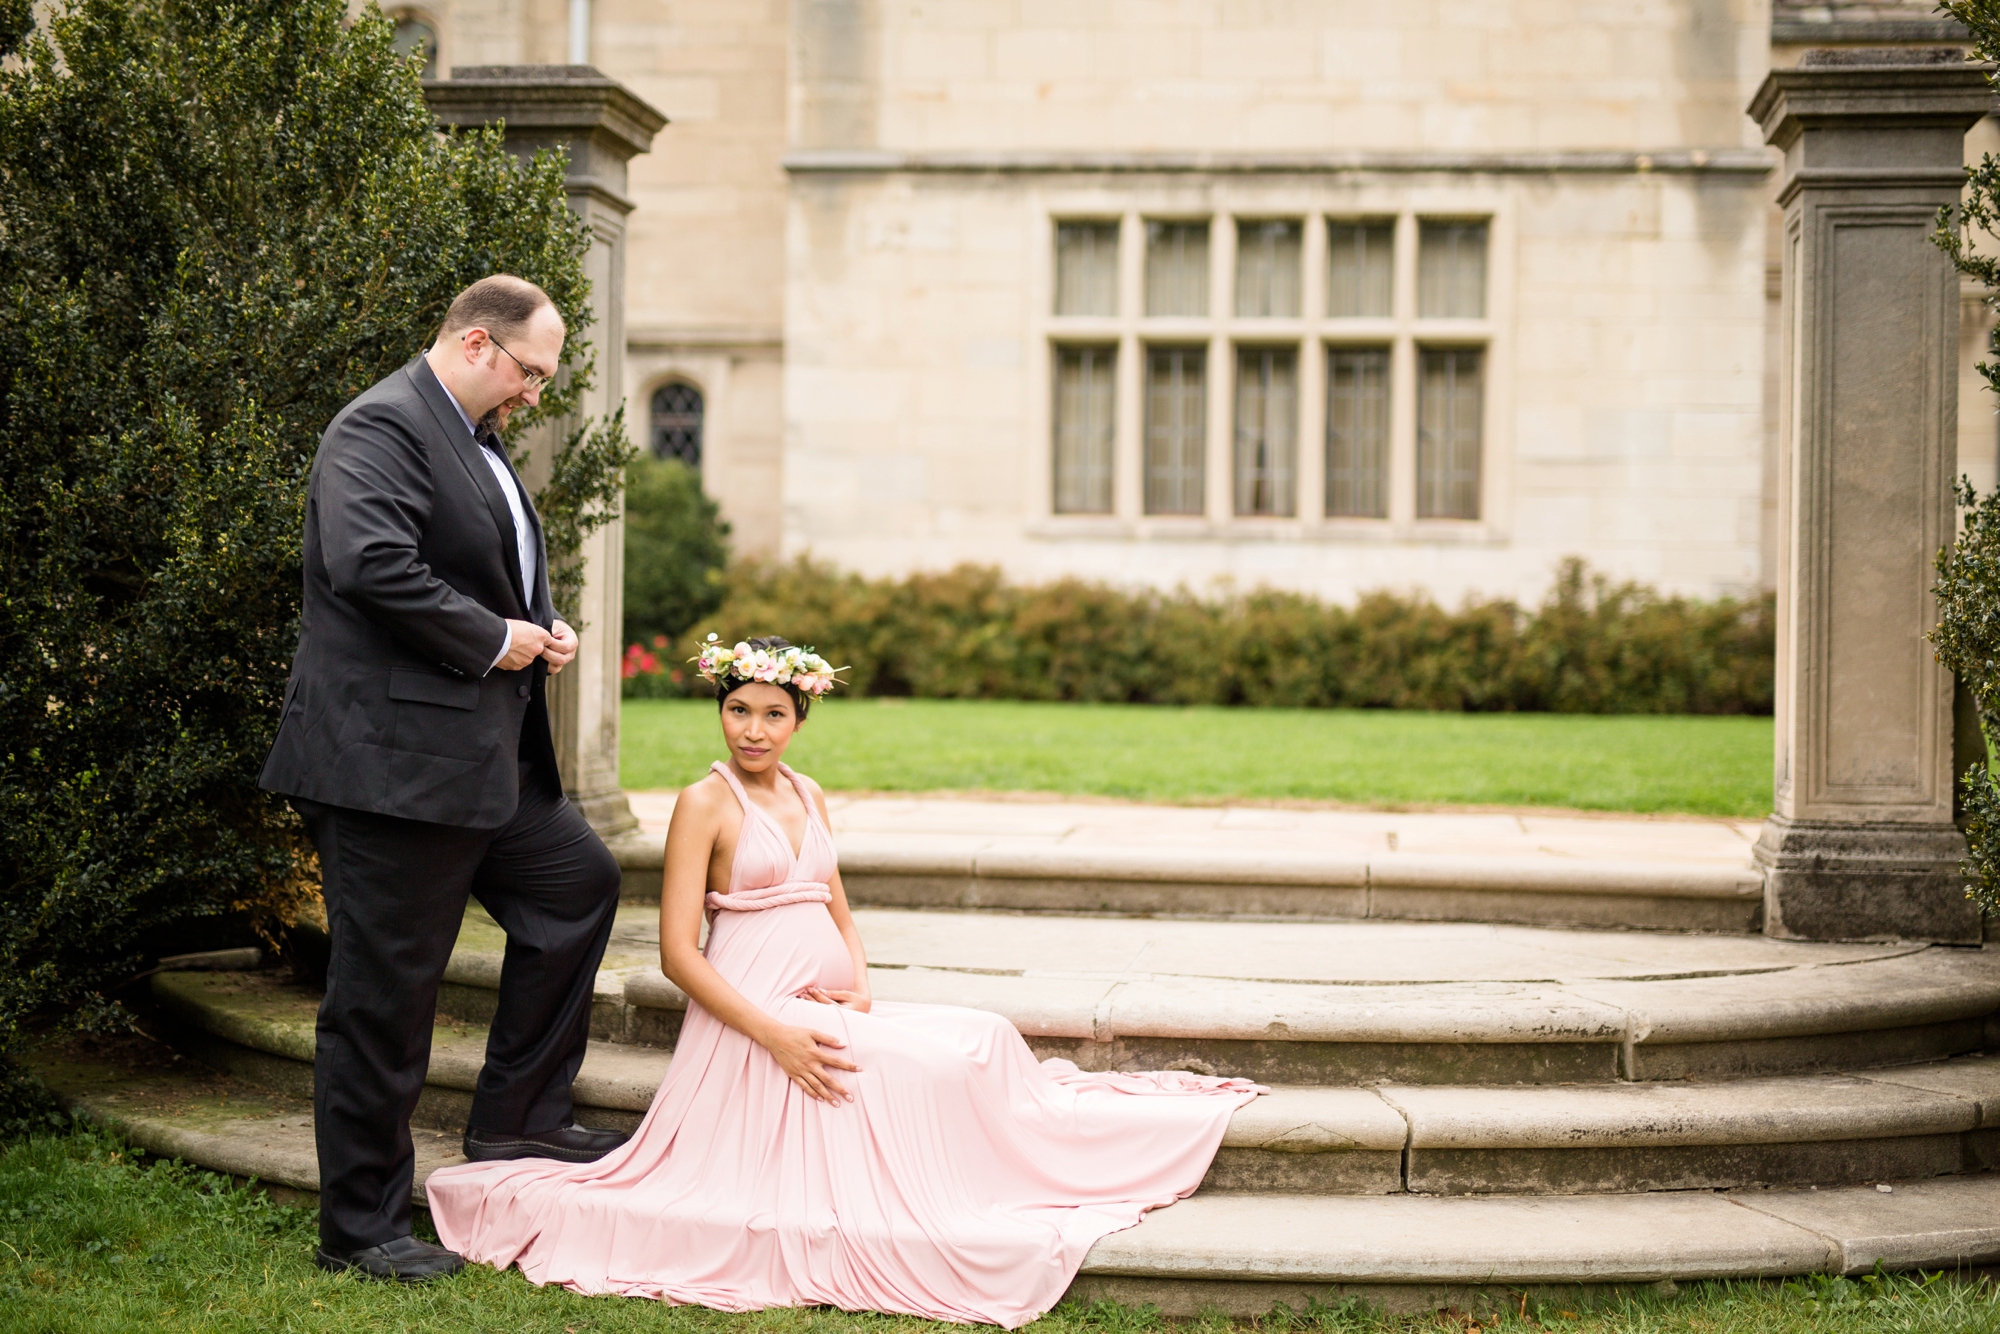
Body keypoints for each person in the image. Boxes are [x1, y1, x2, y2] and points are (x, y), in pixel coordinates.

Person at [424, 636, 1263, 1327]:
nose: (752, 730)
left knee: (983, 1035)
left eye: (773, 715)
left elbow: (841, 911)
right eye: (738, 710)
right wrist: (776, 1034)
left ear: (798, 721)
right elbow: (681, 955)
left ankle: (1028, 1168)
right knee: (930, 1067)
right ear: (720, 710)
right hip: (753, 1020)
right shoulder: (703, 803)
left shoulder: (808, 792)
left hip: (824, 1001)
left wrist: (858, 984)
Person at [259, 275, 627, 1283]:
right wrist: (494, 637)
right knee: (382, 997)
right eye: (531, 373)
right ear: (476, 343)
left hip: (483, 761)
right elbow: (369, 562)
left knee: (576, 885)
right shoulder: (377, 426)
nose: (535, 395)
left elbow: (474, 566)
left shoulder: (475, 436)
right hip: (391, 769)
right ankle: (360, 1227)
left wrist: (533, 628)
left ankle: (520, 1117)